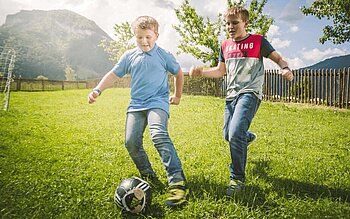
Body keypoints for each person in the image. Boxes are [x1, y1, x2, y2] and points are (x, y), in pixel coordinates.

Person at [189, 6, 294, 196]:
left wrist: (285, 68)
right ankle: (247, 137)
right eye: (227, 23)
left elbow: (278, 57)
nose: (230, 27)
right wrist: (201, 72)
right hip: (231, 96)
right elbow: (221, 71)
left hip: (250, 93)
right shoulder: (225, 45)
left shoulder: (258, 41)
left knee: (235, 131)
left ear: (245, 23)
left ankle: (237, 178)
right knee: (229, 136)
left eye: (235, 23)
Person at [88, 16, 187, 207]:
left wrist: (177, 96)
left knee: (158, 134)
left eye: (148, 37)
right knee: (131, 142)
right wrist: (97, 90)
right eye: (139, 37)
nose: (144, 41)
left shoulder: (164, 55)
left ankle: (177, 181)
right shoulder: (129, 56)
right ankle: (148, 174)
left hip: (158, 102)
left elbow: (178, 72)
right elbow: (113, 75)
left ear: (156, 35)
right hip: (136, 105)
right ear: (135, 36)